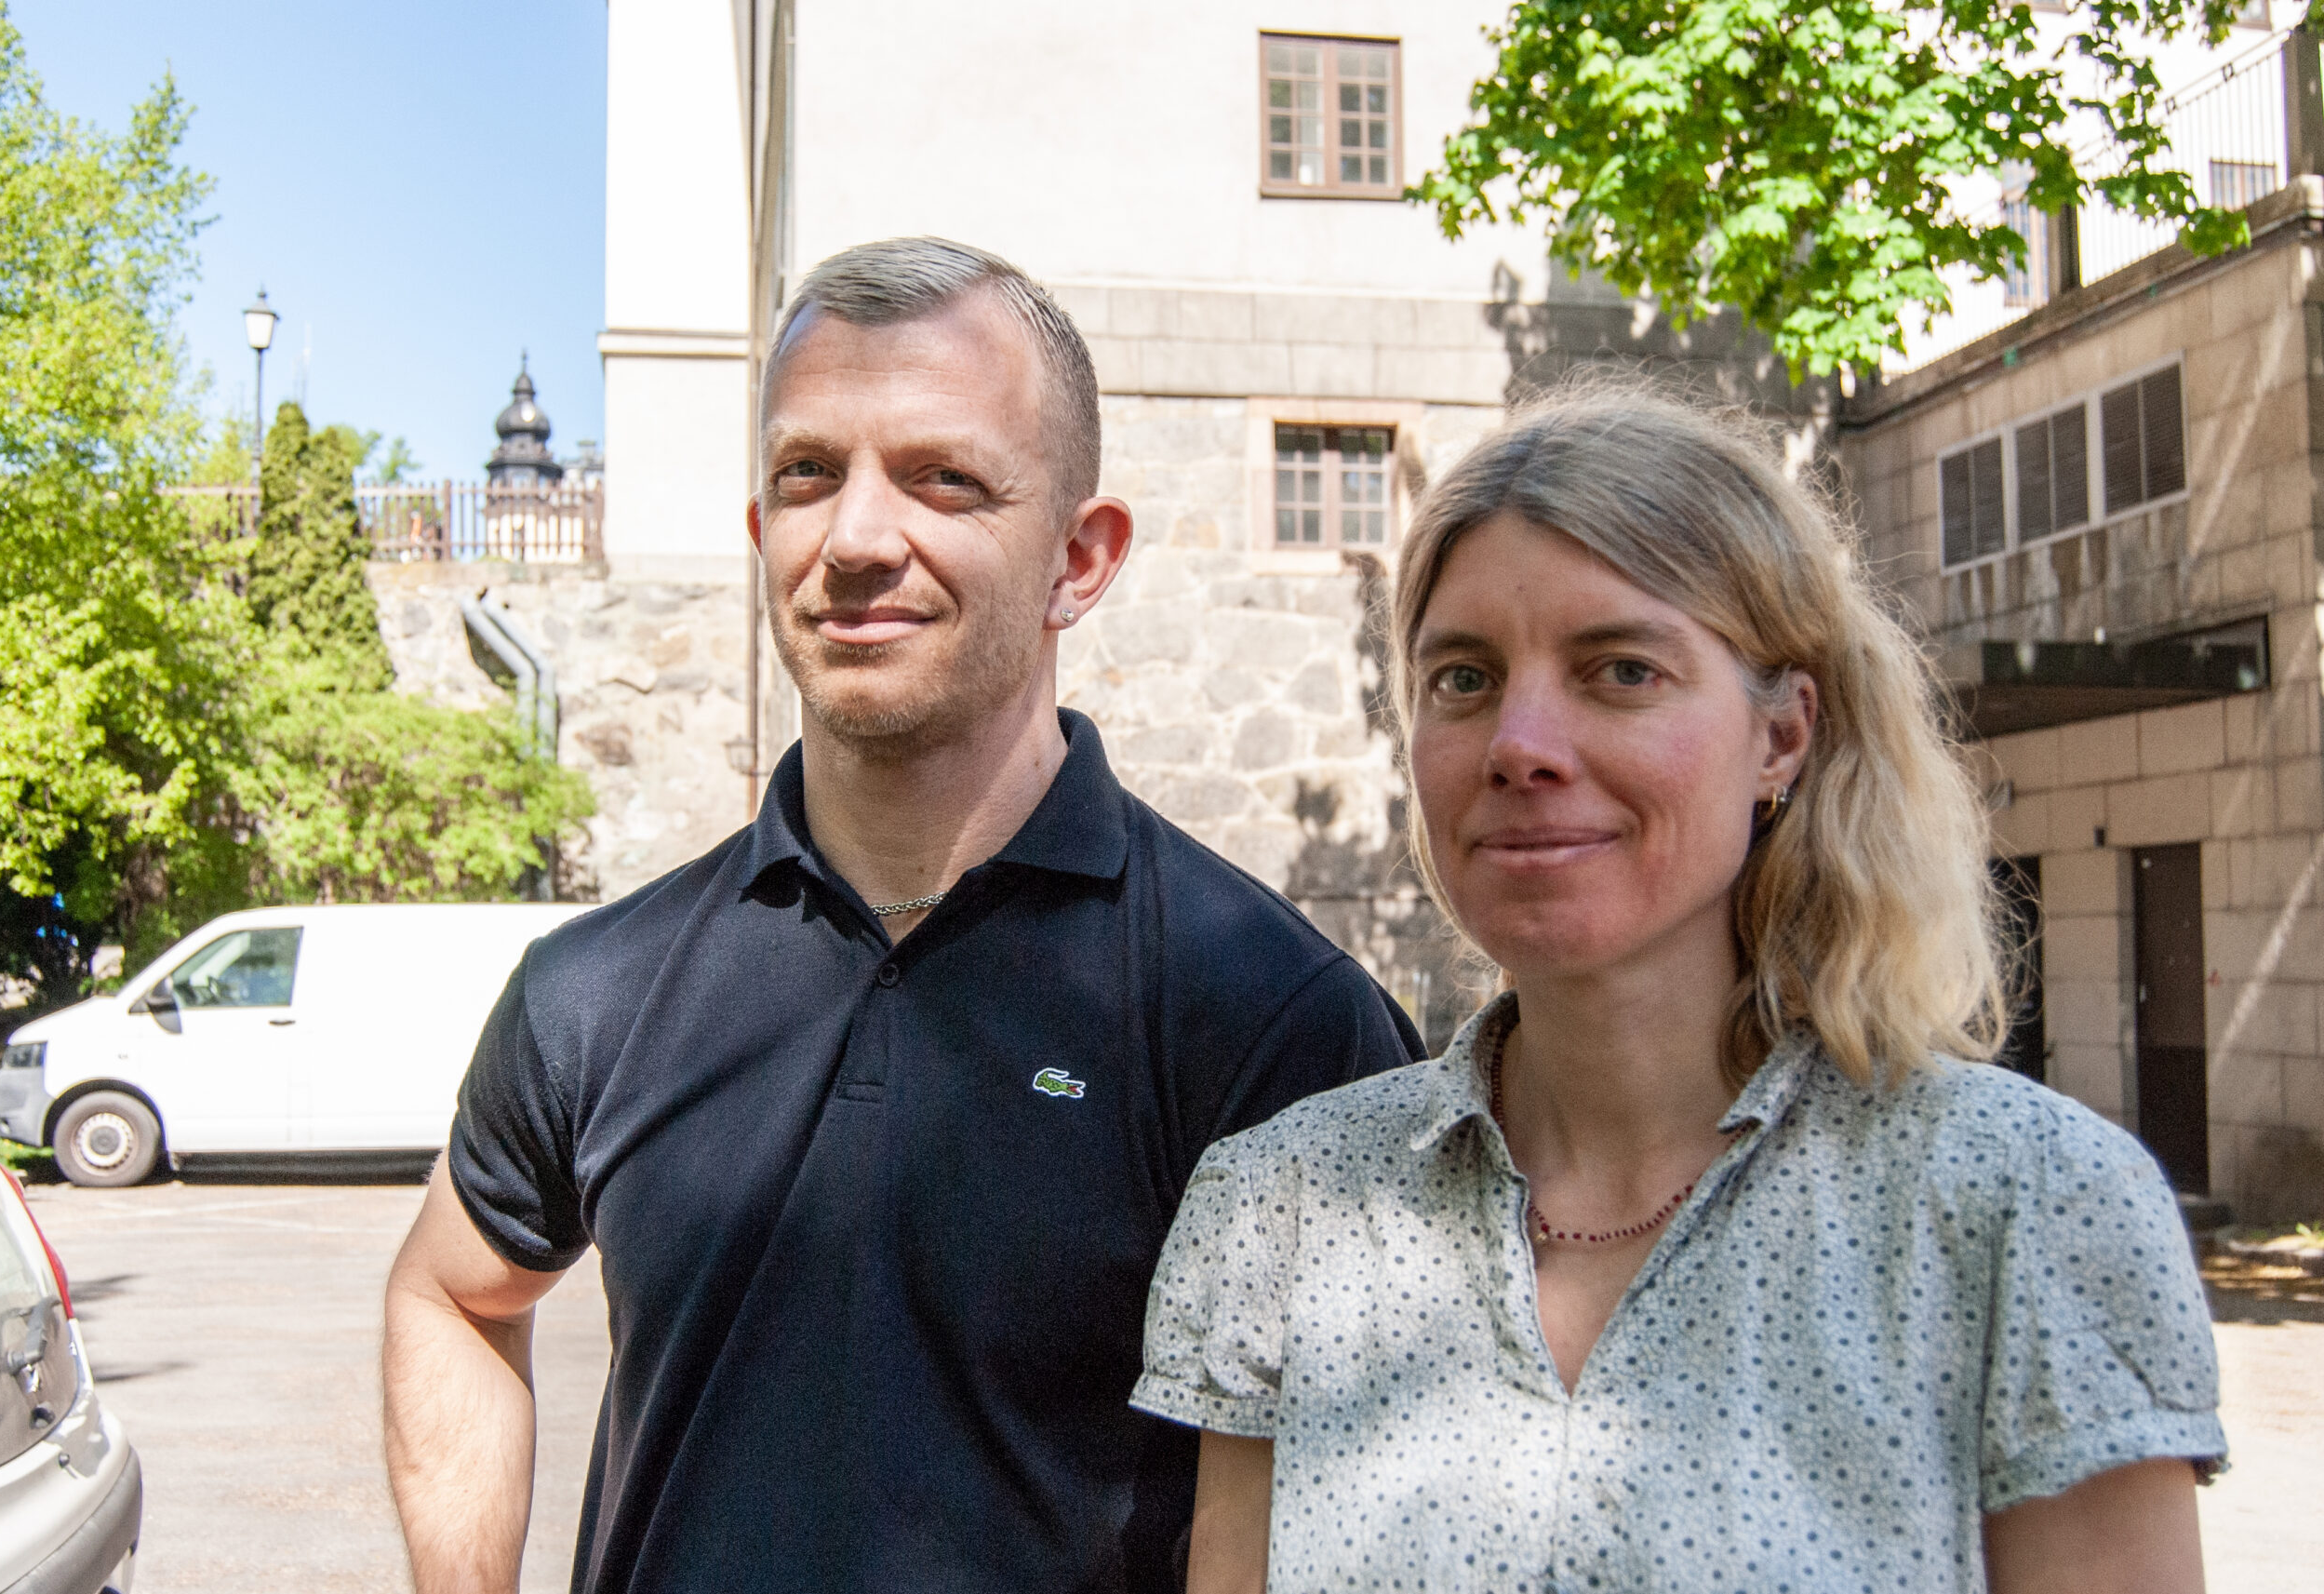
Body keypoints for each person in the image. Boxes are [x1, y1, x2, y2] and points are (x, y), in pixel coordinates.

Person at [380, 236, 1423, 1594]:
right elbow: (449, 1294)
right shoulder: (597, 989)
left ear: (1080, 558)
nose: (860, 537)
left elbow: (1377, 1480)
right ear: (764, 534)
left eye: (944, 478)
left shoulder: (1268, 1020)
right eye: (809, 474)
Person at [1136, 383, 2226, 1594]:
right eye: (1463, 677)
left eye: (1621, 670)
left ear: (1783, 737)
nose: (1520, 740)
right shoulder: (1280, 1205)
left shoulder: (2027, 1210)